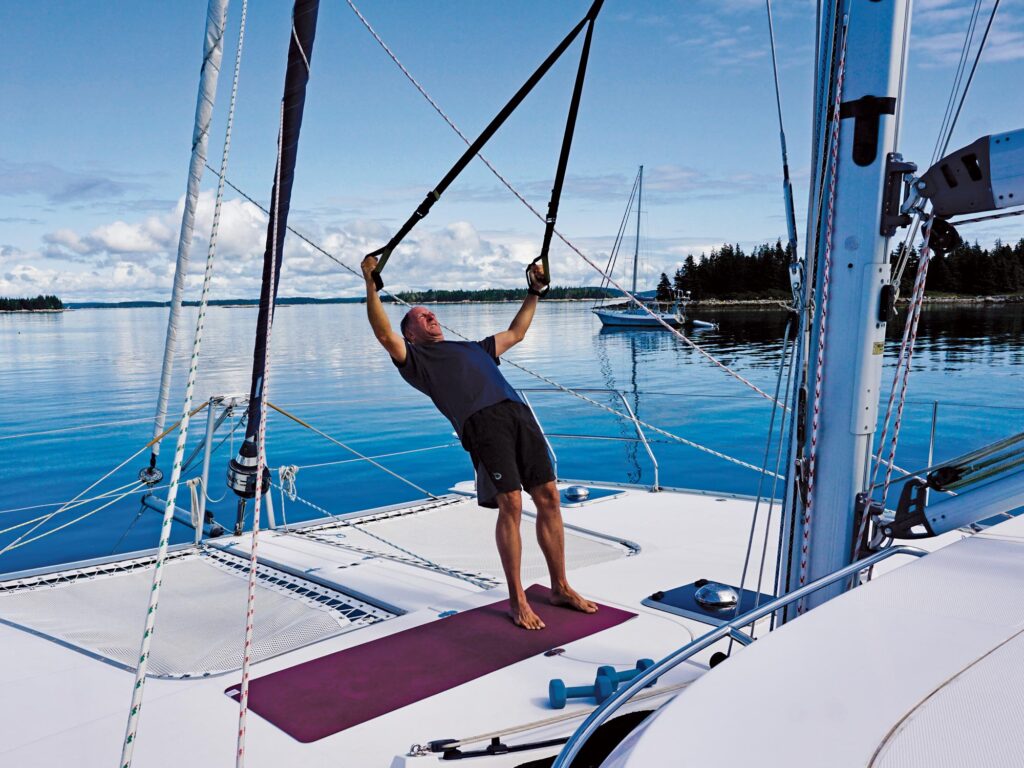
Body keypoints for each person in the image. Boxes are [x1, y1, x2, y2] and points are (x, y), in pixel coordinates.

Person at [360, 255, 597, 630]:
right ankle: (517, 599)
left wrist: (534, 291)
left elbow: (516, 333)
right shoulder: (416, 360)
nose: (429, 316)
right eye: (420, 317)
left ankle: (560, 586)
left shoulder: (475, 348)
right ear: (411, 334)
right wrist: (370, 284)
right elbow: (383, 333)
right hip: (482, 424)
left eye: (430, 313)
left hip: (518, 413)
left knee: (549, 497)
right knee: (512, 503)